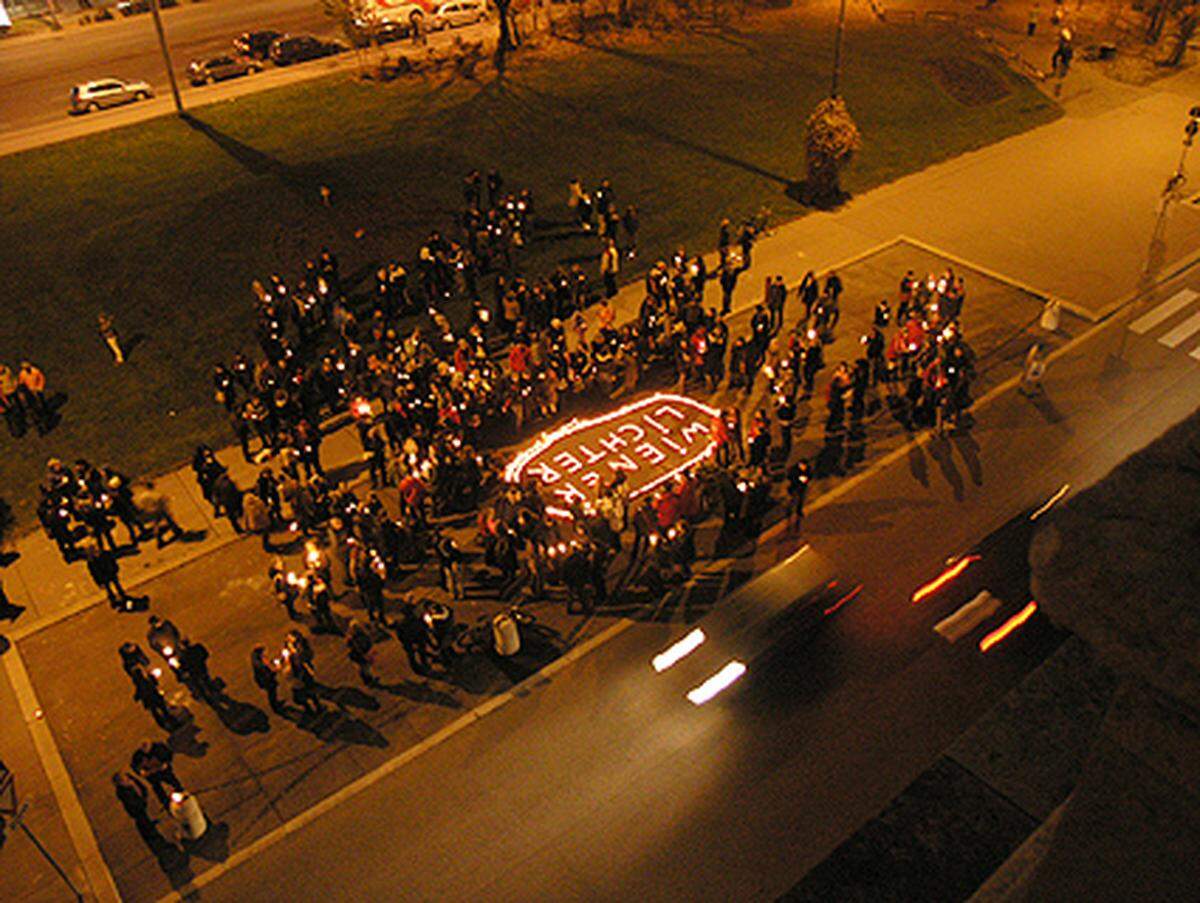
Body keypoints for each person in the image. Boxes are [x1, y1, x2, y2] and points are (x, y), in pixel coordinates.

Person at [133, 480, 183, 548]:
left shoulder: (143, 496)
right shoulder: (156, 495)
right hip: (156, 512)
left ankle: (165, 536)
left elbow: (140, 506)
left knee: (157, 524)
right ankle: (174, 530)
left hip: (148, 513)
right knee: (167, 520)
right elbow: (163, 504)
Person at [131, 740, 182, 806]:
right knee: (157, 788)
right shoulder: (138, 755)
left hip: (164, 771)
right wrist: (141, 772)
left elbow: (169, 754)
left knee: (172, 781)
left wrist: (166, 763)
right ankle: (165, 802)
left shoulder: (159, 747)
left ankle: (181, 791)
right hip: (152, 776)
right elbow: (134, 766)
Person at [86, 542, 129, 608]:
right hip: (107, 574)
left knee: (113, 587)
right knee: (113, 587)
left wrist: (115, 569)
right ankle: (120, 598)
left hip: (108, 574)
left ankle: (118, 599)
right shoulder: (103, 555)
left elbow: (94, 573)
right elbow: (94, 573)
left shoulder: (93, 561)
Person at [17, 361, 49, 434]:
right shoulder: (22, 374)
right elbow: (21, 382)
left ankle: (45, 411)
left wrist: (39, 388)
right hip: (29, 391)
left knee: (40, 402)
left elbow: (41, 379)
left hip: (37, 389)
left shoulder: (36, 371)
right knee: (33, 407)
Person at [345, 619, 379, 687]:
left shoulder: (361, 634)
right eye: (355, 627)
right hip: (359, 655)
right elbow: (351, 646)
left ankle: (370, 679)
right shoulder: (351, 638)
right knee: (363, 668)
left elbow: (368, 641)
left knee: (367, 667)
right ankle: (368, 681)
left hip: (365, 652)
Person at [251, 645, 284, 713]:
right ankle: (275, 706)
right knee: (272, 693)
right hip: (266, 681)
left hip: (265, 679)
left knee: (272, 693)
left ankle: (275, 703)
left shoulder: (257, 658)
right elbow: (269, 672)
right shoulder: (260, 665)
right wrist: (277, 668)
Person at [786, 458, 812, 532]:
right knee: (793, 499)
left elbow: (810, 476)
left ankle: (799, 510)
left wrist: (806, 479)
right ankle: (790, 510)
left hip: (802, 487)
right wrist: (798, 479)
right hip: (794, 487)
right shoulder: (794, 470)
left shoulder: (808, 469)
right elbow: (790, 477)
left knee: (801, 499)